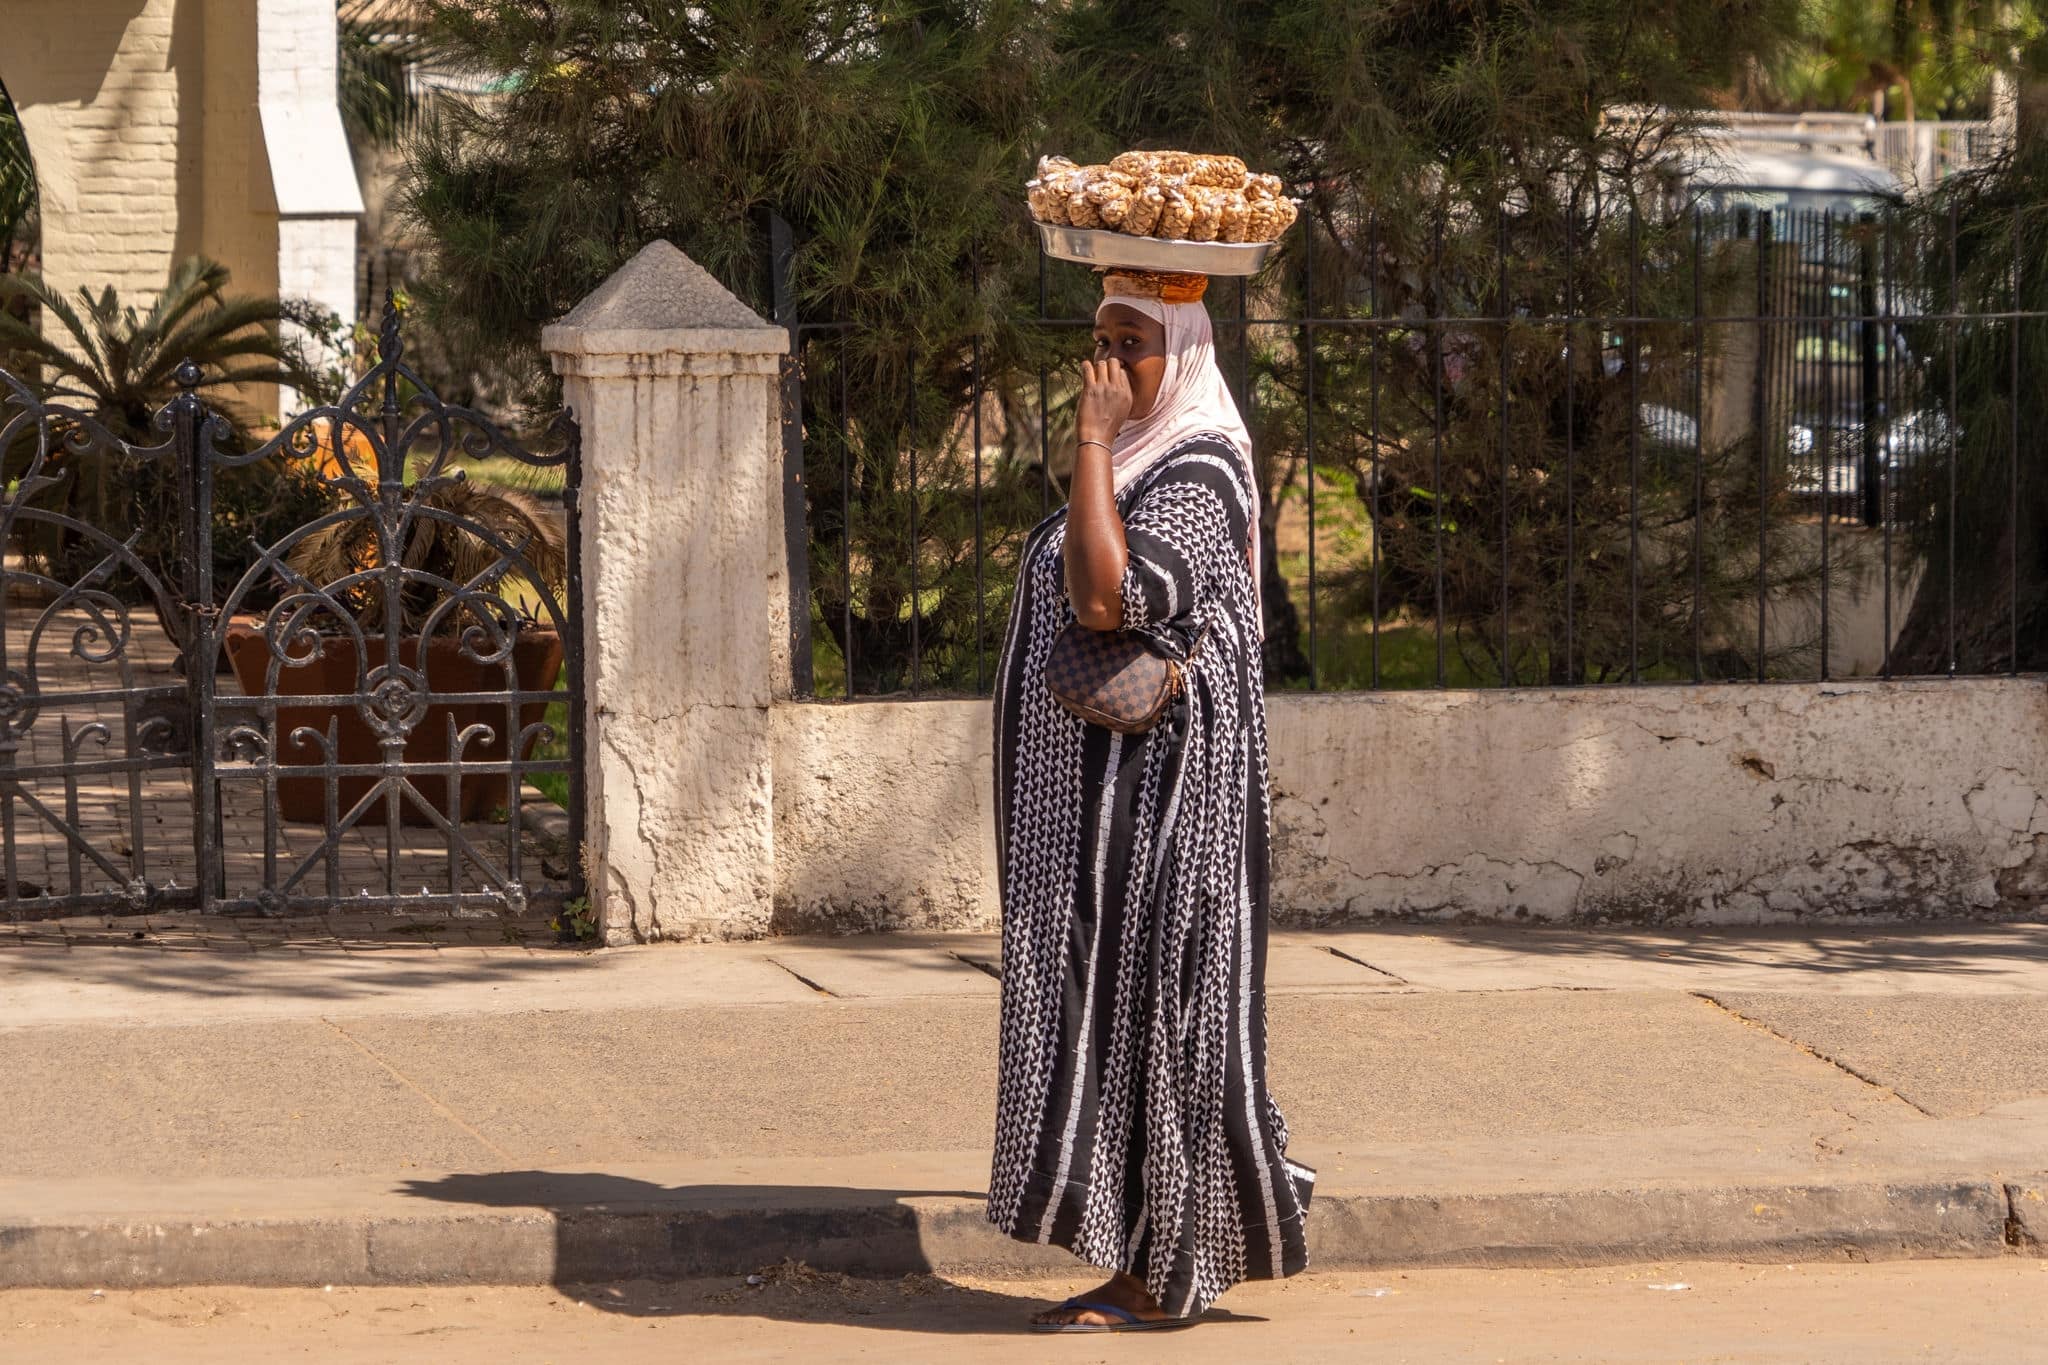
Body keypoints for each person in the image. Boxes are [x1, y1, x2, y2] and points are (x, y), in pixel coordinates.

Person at [987, 267, 1312, 1334]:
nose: (1107, 365)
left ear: (1179, 352)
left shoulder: (1198, 471)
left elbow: (1105, 594)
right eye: (1098, 338)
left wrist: (1087, 438)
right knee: (1103, 1027)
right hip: (1092, 822)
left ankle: (1163, 1274)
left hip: (1163, 814)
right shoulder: (1138, 462)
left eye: (1130, 343)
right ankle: (1150, 1252)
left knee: (1155, 1029)